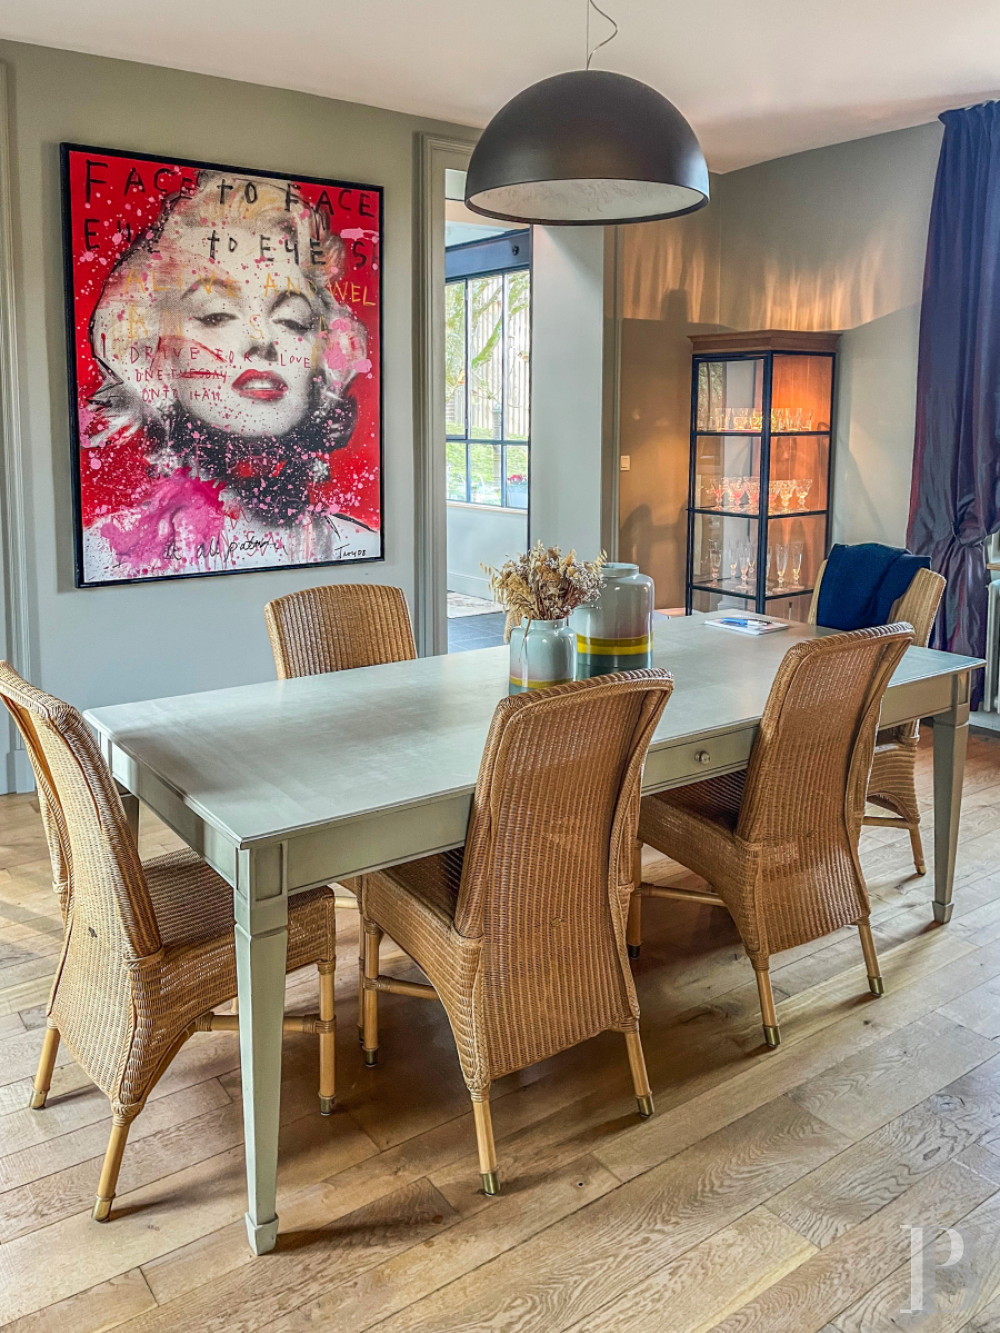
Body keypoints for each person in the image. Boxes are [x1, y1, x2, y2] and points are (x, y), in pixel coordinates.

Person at [79, 170, 379, 581]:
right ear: (153, 357)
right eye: (217, 315)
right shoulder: (105, 556)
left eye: (293, 320)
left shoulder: (359, 547)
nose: (262, 341)